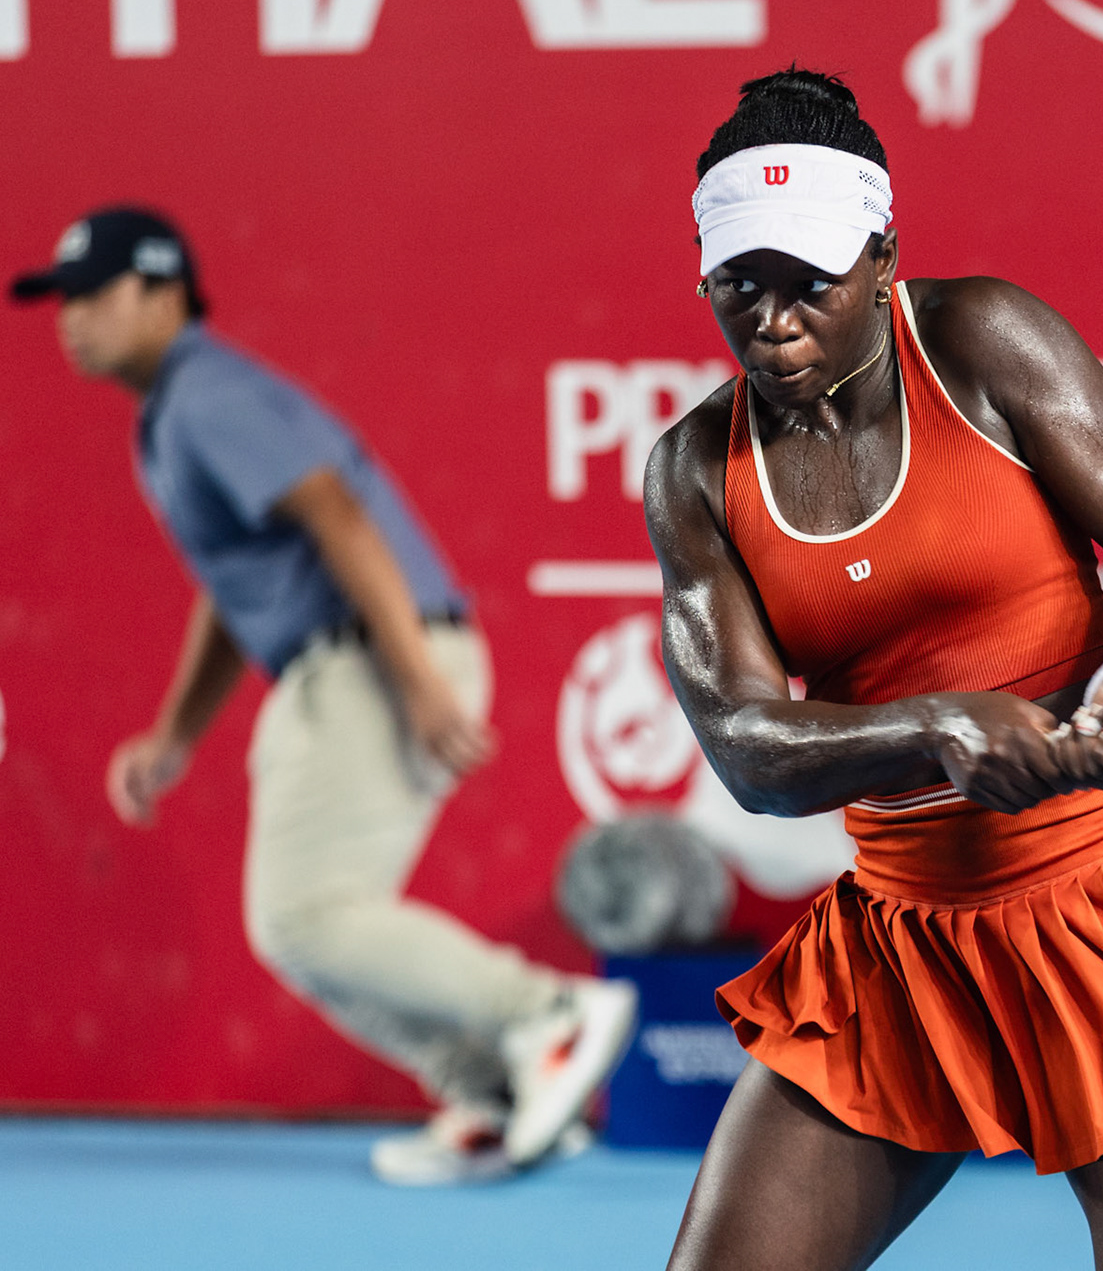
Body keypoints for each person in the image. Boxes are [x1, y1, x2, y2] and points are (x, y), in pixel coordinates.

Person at [646, 70, 1103, 1270]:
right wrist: (939, 728)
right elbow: (748, 749)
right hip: (901, 944)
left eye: (812, 282)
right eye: (740, 284)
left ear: (884, 256)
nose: (774, 320)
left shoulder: (981, 338)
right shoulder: (695, 469)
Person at [9, 208, 637, 1186]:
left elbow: (335, 514)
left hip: (371, 661)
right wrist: (177, 732)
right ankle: (493, 1086)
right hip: (343, 662)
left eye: (93, 293)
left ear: (164, 292)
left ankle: (545, 1016)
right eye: (63, 298)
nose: (71, 317)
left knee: (303, 914)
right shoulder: (173, 412)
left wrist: (418, 680)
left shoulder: (205, 397)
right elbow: (239, 584)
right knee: (303, 924)